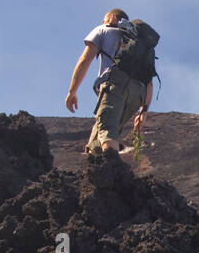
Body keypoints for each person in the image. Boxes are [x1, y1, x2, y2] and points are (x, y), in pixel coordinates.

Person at [65, 9, 153, 156]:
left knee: (107, 131)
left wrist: (72, 91)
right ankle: (97, 171)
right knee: (97, 141)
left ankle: (114, 172)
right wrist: (143, 111)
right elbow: (149, 80)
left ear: (111, 18)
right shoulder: (140, 43)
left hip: (115, 84)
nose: (102, 22)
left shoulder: (103, 30)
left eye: (104, 19)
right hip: (137, 94)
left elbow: (84, 60)